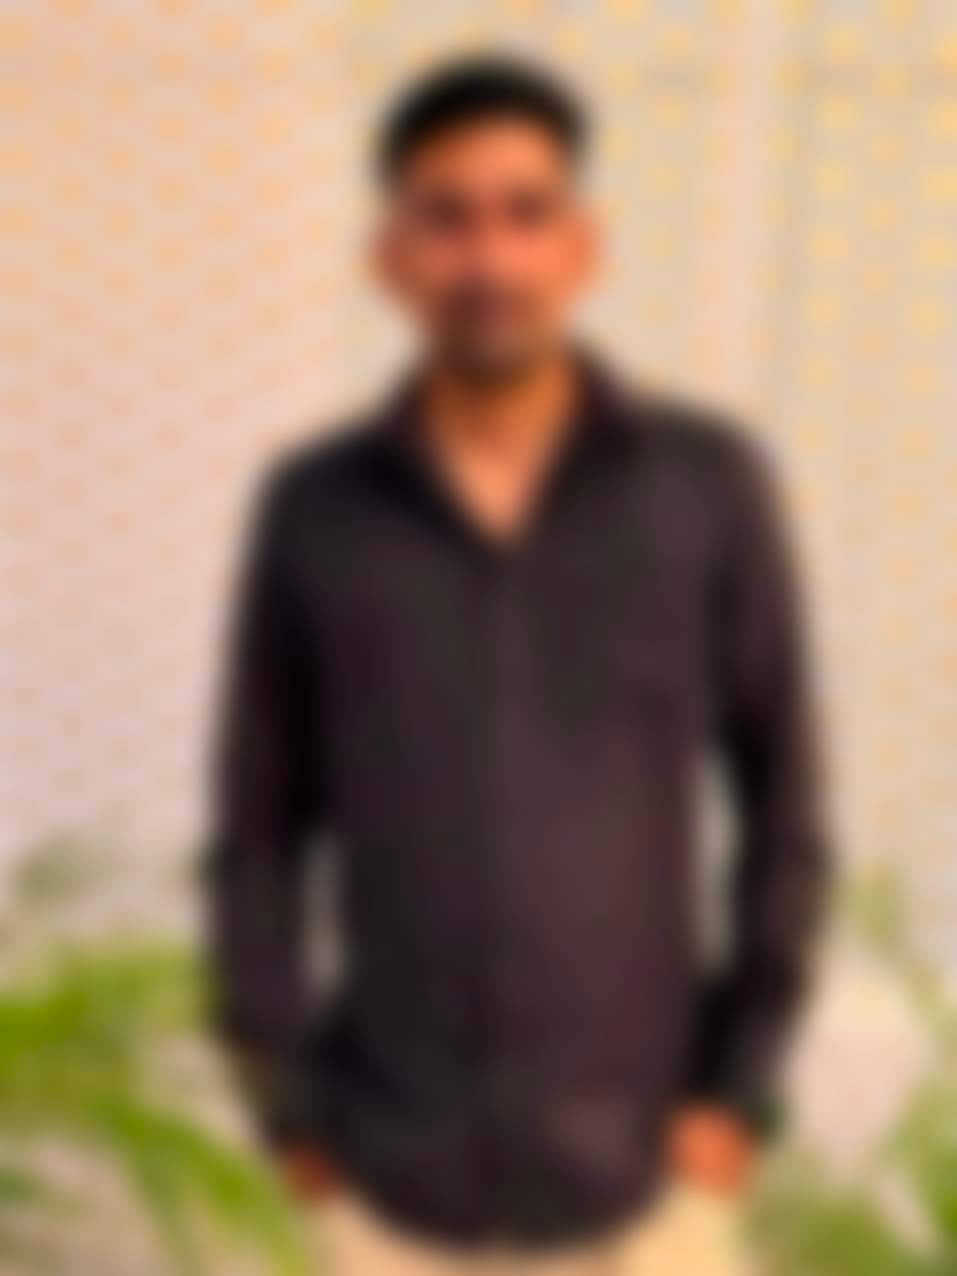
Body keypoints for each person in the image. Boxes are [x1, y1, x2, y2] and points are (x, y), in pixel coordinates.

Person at [206, 54, 829, 1275]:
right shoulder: (316, 509)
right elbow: (258, 828)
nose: (488, 259)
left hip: (647, 1183)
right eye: (447, 218)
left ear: (582, 246)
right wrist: (285, 1111)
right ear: (391, 256)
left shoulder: (705, 487)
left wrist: (739, 1091)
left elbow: (784, 802)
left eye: (525, 213)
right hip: (386, 1187)